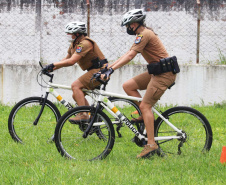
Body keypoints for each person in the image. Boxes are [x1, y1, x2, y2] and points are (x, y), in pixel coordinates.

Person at [100, 9, 177, 158]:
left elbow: (130, 56)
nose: (127, 28)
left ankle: (151, 144)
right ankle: (145, 116)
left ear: (134, 24)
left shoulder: (144, 34)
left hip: (164, 75)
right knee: (128, 86)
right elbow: (127, 54)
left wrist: (111, 70)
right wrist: (108, 68)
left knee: (145, 105)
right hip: (157, 72)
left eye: (128, 25)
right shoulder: (141, 35)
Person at [43, 21, 108, 122]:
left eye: (70, 33)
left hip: (101, 71)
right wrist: (51, 68)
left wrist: (54, 65)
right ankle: (93, 116)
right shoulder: (74, 44)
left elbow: (72, 61)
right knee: (76, 94)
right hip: (93, 71)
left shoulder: (85, 43)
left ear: (77, 34)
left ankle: (83, 115)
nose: (68, 36)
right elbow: (66, 59)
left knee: (75, 86)